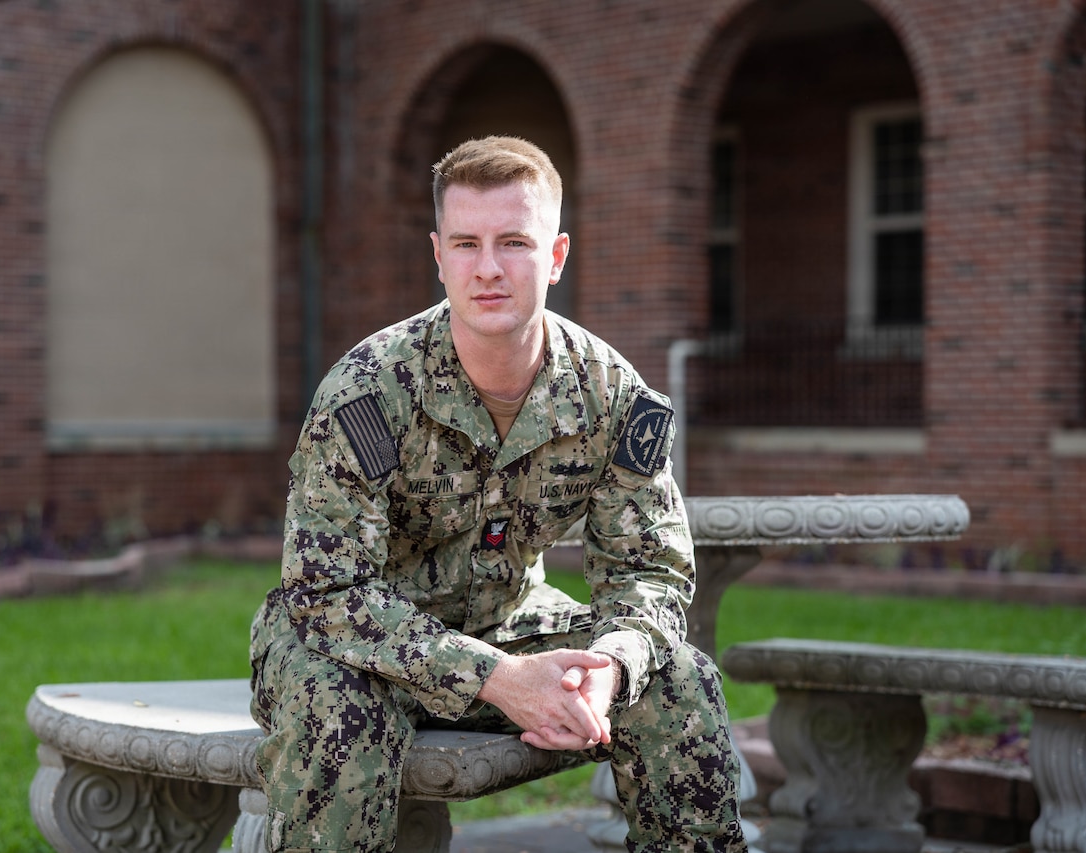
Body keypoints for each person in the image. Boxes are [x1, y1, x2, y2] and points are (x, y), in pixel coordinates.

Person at [249, 135, 746, 852]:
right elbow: (330, 595)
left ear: (556, 255)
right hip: (352, 644)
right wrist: (497, 678)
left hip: (509, 619)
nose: (488, 268)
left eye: (514, 242)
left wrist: (609, 666)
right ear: (439, 254)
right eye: (466, 243)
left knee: (678, 676)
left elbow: (650, 573)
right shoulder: (367, 390)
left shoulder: (609, 393)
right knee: (342, 713)